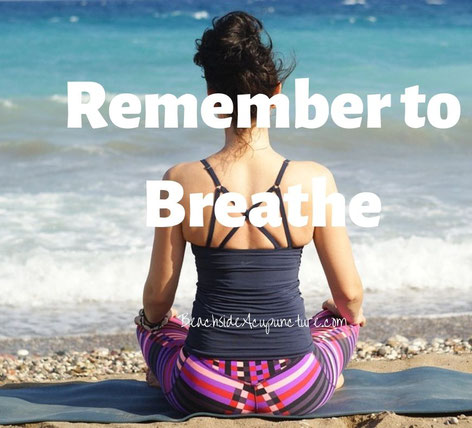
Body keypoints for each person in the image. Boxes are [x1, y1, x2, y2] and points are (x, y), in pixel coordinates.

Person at [135, 10, 365, 416]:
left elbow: (157, 301)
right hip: (295, 385)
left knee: (157, 329)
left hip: (205, 386)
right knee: (336, 324)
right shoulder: (315, 180)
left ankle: (164, 371)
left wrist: (156, 322)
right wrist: (343, 315)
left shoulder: (179, 180)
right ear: (276, 93)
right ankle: (330, 372)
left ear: (212, 101)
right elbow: (350, 296)